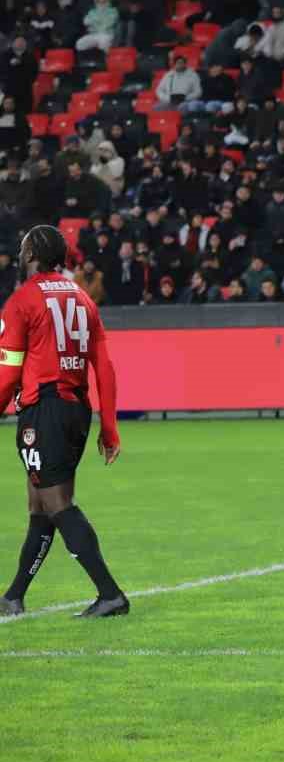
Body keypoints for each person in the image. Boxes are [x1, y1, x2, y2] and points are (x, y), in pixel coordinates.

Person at [0, 226, 126, 618]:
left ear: (31, 253)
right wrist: (109, 426)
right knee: (41, 504)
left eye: (24, 247)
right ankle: (13, 597)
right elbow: (104, 367)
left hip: (44, 410)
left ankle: (110, 595)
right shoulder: (82, 297)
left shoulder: (22, 300)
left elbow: (9, 370)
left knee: (57, 504)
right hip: (76, 408)